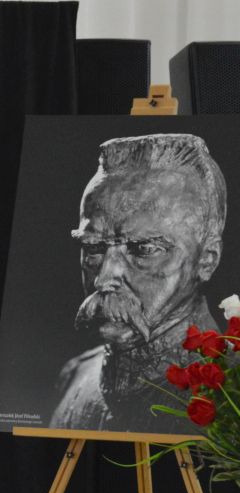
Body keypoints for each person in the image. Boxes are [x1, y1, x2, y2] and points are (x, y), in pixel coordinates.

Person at [52, 132, 227, 432]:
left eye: (144, 249)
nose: (104, 278)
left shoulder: (231, 392)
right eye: (93, 248)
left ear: (206, 260)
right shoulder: (74, 377)